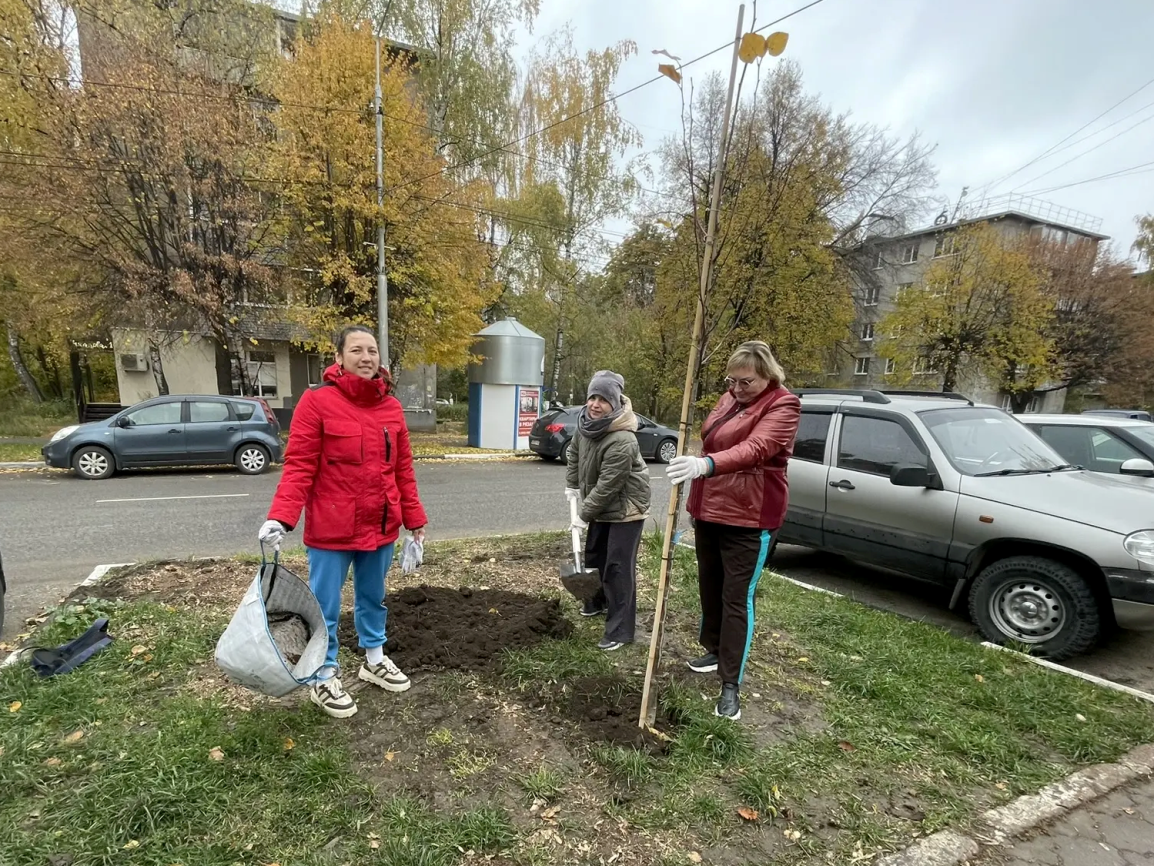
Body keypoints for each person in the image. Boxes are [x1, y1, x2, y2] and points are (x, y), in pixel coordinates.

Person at [258, 325, 428, 719]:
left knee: (373, 597)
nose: (366, 357)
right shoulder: (317, 402)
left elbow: (403, 469)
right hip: (332, 531)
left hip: (380, 526)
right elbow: (299, 465)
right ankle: (322, 674)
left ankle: (374, 659)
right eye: (357, 350)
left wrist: (414, 520)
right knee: (325, 607)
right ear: (338, 357)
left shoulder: (391, 407)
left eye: (372, 350)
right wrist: (281, 518)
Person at [666, 341, 800, 721]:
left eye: (746, 382)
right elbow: (713, 437)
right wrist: (699, 478)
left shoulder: (784, 405)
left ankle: (730, 683)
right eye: (732, 381)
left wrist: (704, 465)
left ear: (768, 376)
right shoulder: (728, 400)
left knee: (736, 597)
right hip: (710, 508)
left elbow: (757, 448)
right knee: (709, 584)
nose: (737, 389)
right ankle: (713, 649)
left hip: (750, 515)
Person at [566, 370, 651, 651]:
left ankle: (620, 630)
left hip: (627, 508)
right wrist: (572, 488)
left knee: (617, 567)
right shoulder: (586, 426)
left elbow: (608, 486)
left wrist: (582, 515)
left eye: (603, 399)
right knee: (594, 556)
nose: (595, 404)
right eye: (592, 397)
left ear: (614, 404)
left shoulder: (623, 439)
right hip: (602, 505)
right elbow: (574, 457)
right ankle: (598, 601)